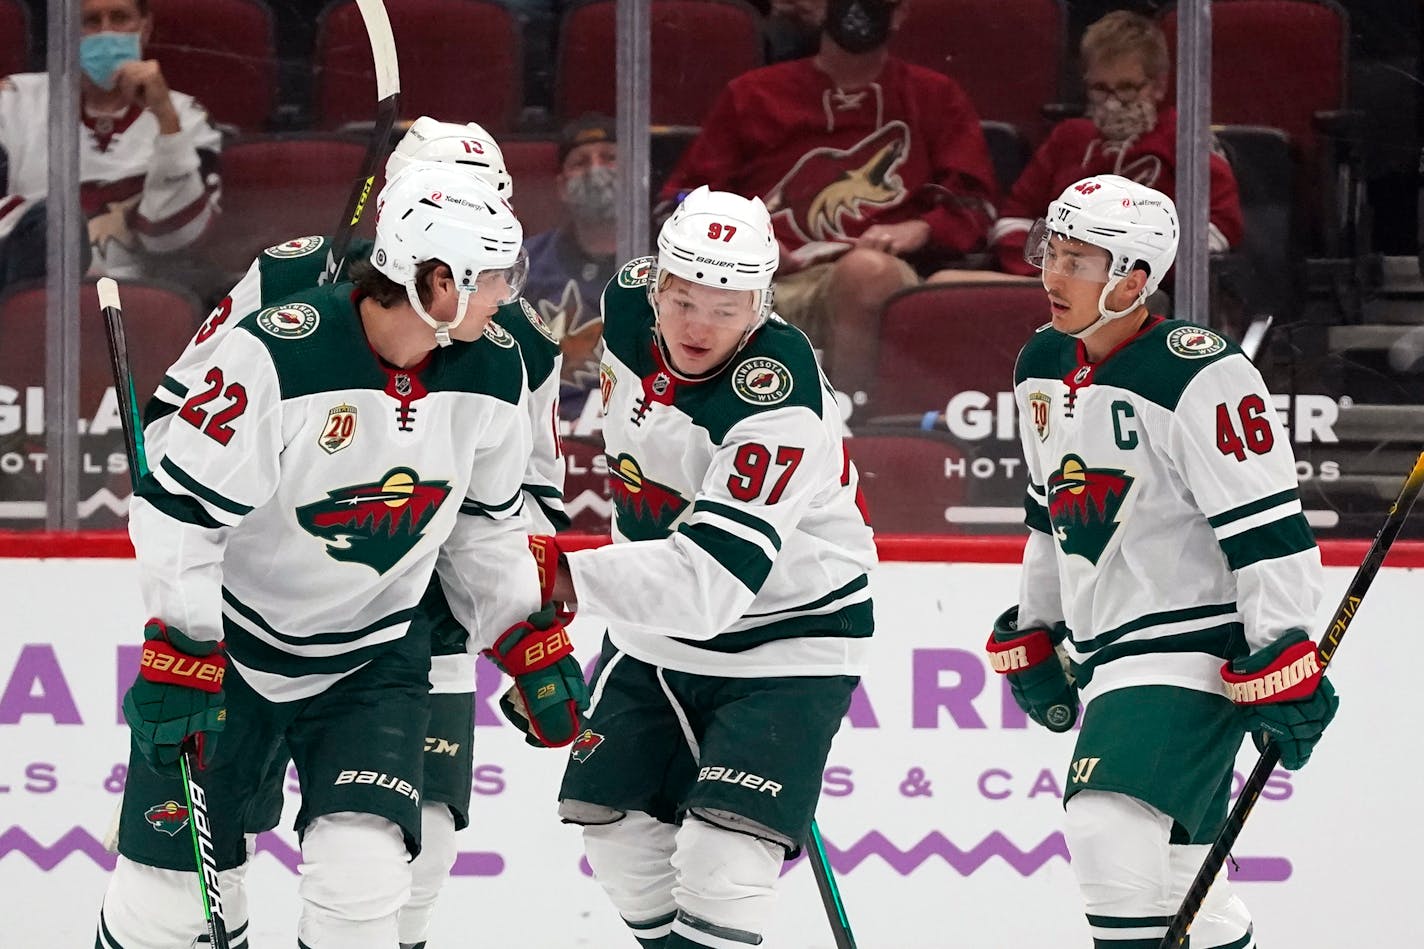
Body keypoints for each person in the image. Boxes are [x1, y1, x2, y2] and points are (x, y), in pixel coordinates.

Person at [93, 162, 587, 949]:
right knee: (169, 906)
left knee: (364, 884)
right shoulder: (277, 357)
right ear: (434, 280)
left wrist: (525, 637)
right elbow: (180, 513)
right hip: (236, 650)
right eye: (491, 277)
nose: (505, 296)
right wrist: (181, 647)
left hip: (372, 661)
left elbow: (484, 529)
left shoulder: (495, 366)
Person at [986, 175, 1338, 948]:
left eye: (1079, 260)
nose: (1053, 274)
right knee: (1182, 880)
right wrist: (1039, 623)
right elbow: (1047, 511)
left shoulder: (1200, 372)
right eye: (1053, 251)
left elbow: (1266, 529)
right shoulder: (1041, 363)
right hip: (1110, 650)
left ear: (1135, 279)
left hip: (1194, 646)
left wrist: (1283, 648)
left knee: (1105, 822)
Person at [529, 186, 876, 949]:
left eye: (726, 306)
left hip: (790, 631)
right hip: (655, 633)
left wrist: (561, 577)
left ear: (760, 302)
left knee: (724, 856)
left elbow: (707, 588)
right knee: (613, 831)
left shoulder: (777, 404)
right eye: (684, 299)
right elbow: (524, 367)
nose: (700, 325)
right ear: (655, 282)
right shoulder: (625, 305)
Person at [658, 0, 997, 402]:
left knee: (866, 273)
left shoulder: (935, 96)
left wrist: (922, 228)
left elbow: (979, 208)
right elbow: (679, 202)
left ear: (901, 12)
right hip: (769, 283)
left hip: (884, 279)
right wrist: (743, 246)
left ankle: (848, 422)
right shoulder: (752, 94)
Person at [989, 10, 1242, 277]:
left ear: (1158, 85)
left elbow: (1221, 225)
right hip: (1059, 286)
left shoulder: (1186, 138)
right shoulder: (1068, 139)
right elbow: (1013, 221)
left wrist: (1133, 269)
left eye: (1127, 87)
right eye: (1100, 88)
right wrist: (1053, 268)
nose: (1113, 102)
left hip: (1148, 292)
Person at [0, 0, 221, 289]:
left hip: (141, 302)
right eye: (91, 21)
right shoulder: (12, 102)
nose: (106, 33)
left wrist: (166, 121)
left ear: (145, 28)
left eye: (119, 18)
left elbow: (175, 240)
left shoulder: (187, 118)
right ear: (65, 31)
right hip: (31, 297)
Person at [522, 113, 619, 425]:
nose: (596, 171)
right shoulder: (523, 265)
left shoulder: (662, 262)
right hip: (543, 429)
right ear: (562, 187)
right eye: (580, 162)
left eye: (609, 158)